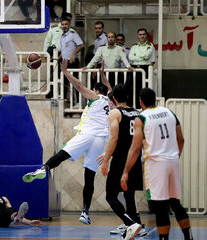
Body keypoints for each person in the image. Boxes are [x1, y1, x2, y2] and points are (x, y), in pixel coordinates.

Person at [23, 60, 111, 225]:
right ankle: (85, 211)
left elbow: (79, 86)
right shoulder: (111, 100)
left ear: (97, 90)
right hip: (100, 141)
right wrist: (102, 74)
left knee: (63, 154)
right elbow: (108, 86)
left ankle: (44, 168)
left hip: (87, 134)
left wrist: (65, 71)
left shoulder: (96, 97)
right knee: (89, 177)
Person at [121, 88, 194, 240]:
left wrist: (126, 172)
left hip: (155, 164)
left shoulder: (141, 118)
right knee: (175, 203)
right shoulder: (169, 113)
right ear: (155, 99)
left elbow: (135, 149)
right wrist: (175, 155)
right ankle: (189, 237)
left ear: (140, 101)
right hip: (172, 161)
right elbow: (181, 139)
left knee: (160, 207)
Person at [96, 84, 146, 238]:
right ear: (128, 97)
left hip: (120, 159)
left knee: (110, 195)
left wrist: (106, 159)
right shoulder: (138, 113)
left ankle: (131, 224)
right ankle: (137, 225)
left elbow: (115, 138)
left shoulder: (115, 113)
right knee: (128, 194)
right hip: (135, 159)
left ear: (115, 99)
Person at [43, 12, 72, 98]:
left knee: (64, 76)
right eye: (67, 19)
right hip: (54, 54)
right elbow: (47, 41)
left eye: (69, 20)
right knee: (52, 74)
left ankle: (63, 96)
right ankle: (51, 94)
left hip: (65, 55)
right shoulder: (54, 29)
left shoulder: (72, 32)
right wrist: (45, 54)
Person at [127, 28, 155, 108]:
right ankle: (132, 106)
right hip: (134, 68)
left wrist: (137, 57)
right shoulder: (134, 46)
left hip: (144, 68)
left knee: (142, 89)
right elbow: (131, 57)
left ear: (146, 36)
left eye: (143, 34)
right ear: (138, 36)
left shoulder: (150, 45)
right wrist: (142, 57)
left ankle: (141, 106)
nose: (142, 36)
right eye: (140, 34)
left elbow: (147, 56)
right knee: (131, 88)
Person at [59, 17, 84, 105]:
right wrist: (59, 57)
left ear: (69, 25)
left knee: (74, 82)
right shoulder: (62, 36)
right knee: (64, 82)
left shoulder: (73, 34)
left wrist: (73, 54)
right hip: (64, 62)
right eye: (62, 24)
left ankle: (77, 102)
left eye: (66, 24)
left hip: (72, 62)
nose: (64, 26)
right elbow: (65, 49)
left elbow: (81, 45)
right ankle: (65, 100)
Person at [90, 21, 107, 88]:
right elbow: (96, 56)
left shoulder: (106, 39)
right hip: (98, 65)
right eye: (96, 28)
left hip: (105, 65)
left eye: (99, 28)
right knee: (95, 84)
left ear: (103, 29)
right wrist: (95, 68)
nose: (97, 30)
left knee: (104, 85)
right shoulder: (96, 40)